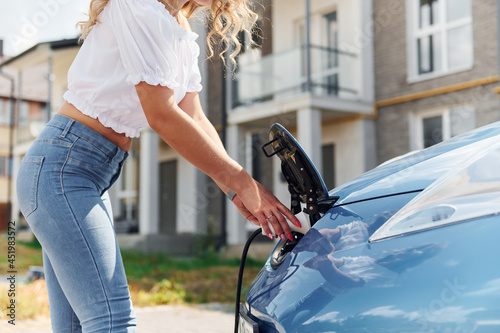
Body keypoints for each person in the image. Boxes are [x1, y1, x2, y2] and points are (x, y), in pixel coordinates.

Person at [16, 0, 301, 331]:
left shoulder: (178, 28)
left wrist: (236, 191)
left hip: (90, 175)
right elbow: (162, 114)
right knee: (112, 321)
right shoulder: (138, 5)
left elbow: (193, 115)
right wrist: (242, 182)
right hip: (63, 169)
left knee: (75, 326)